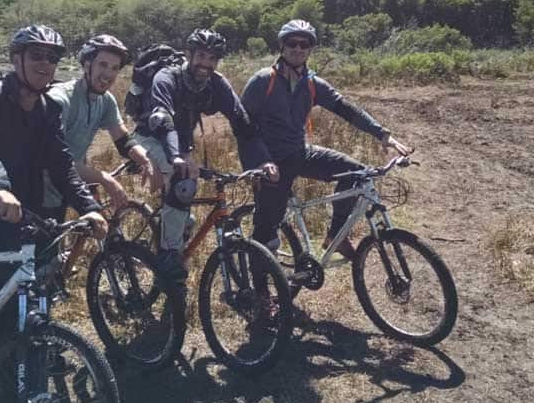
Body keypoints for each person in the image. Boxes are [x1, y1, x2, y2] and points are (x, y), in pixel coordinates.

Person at [0, 24, 108, 338]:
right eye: (36, 55)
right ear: (15, 59)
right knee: (9, 302)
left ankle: (30, 352)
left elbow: (61, 163)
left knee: (39, 286)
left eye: (52, 58)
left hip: (26, 208)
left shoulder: (47, 109)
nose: (45, 63)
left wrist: (89, 206)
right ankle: (5, 373)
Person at [241, 19, 411, 263]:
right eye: (293, 43)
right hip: (271, 164)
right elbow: (244, 128)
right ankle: (260, 294)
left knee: (356, 173)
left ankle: (335, 236)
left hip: (299, 154)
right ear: (282, 46)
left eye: (305, 44)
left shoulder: (311, 83)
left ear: (310, 49)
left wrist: (382, 134)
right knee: (266, 234)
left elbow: (345, 108)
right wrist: (259, 164)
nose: (298, 49)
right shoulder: (262, 81)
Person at [131, 28, 276, 298]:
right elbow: (161, 120)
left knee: (185, 213)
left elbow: (242, 124)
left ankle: (173, 229)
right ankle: (168, 256)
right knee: (185, 183)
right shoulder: (167, 77)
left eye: (212, 58)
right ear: (189, 54)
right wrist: (176, 155)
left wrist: (264, 160)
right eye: (200, 56)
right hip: (148, 139)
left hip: (181, 144)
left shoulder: (216, 83)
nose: (205, 64)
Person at [42, 34, 162, 222]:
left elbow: (123, 140)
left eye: (115, 68)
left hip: (69, 183)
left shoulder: (105, 100)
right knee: (44, 247)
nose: (109, 74)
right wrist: (104, 178)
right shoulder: (60, 99)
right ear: (87, 64)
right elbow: (55, 162)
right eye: (103, 65)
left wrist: (146, 160)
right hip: (40, 190)